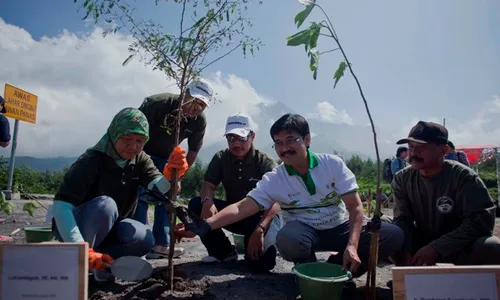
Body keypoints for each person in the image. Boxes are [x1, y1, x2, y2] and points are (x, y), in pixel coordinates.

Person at [188, 113, 404, 281]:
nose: (284, 148)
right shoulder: (276, 178)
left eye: (291, 140)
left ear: (307, 139)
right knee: (287, 238)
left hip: (340, 227)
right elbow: (242, 208)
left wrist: (352, 245)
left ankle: (336, 268)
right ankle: (307, 270)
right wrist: (206, 225)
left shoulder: (332, 165)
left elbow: (355, 209)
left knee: (392, 234)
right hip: (303, 232)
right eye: (278, 143)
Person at [51, 107, 189, 282]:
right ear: (114, 134)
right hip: (75, 232)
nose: (133, 146)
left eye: (139, 140)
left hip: (110, 229)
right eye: (126, 139)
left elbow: (157, 188)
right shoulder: (91, 161)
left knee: (144, 237)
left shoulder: (140, 159)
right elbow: (61, 206)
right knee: (105, 206)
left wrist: (170, 174)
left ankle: (102, 266)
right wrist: (80, 247)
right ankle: (76, 265)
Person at [392, 121, 500, 267]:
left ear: (444, 150)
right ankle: (409, 277)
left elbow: (481, 221)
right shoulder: (402, 179)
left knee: (492, 246)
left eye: (421, 147)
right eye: (411, 147)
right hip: (420, 245)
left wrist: (437, 248)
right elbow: (403, 220)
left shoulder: (463, 176)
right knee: (388, 231)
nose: (414, 152)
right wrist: (406, 253)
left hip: (458, 246)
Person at [185, 114, 282, 272]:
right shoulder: (221, 158)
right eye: (231, 138)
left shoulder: (264, 162)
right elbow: (208, 185)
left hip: (262, 217)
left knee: (261, 265)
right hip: (234, 214)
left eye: (241, 138)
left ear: (252, 136)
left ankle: (258, 248)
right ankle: (223, 252)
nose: (236, 143)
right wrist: (207, 201)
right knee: (196, 204)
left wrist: (260, 229)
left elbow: (277, 201)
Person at [133, 79, 213, 259]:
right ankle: (137, 245)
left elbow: (193, 151)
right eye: (194, 100)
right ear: (184, 93)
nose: (196, 107)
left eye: (202, 104)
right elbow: (133, 133)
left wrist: (179, 176)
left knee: (168, 198)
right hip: (141, 154)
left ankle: (161, 244)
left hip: (168, 160)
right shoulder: (157, 104)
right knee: (139, 197)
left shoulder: (199, 121)